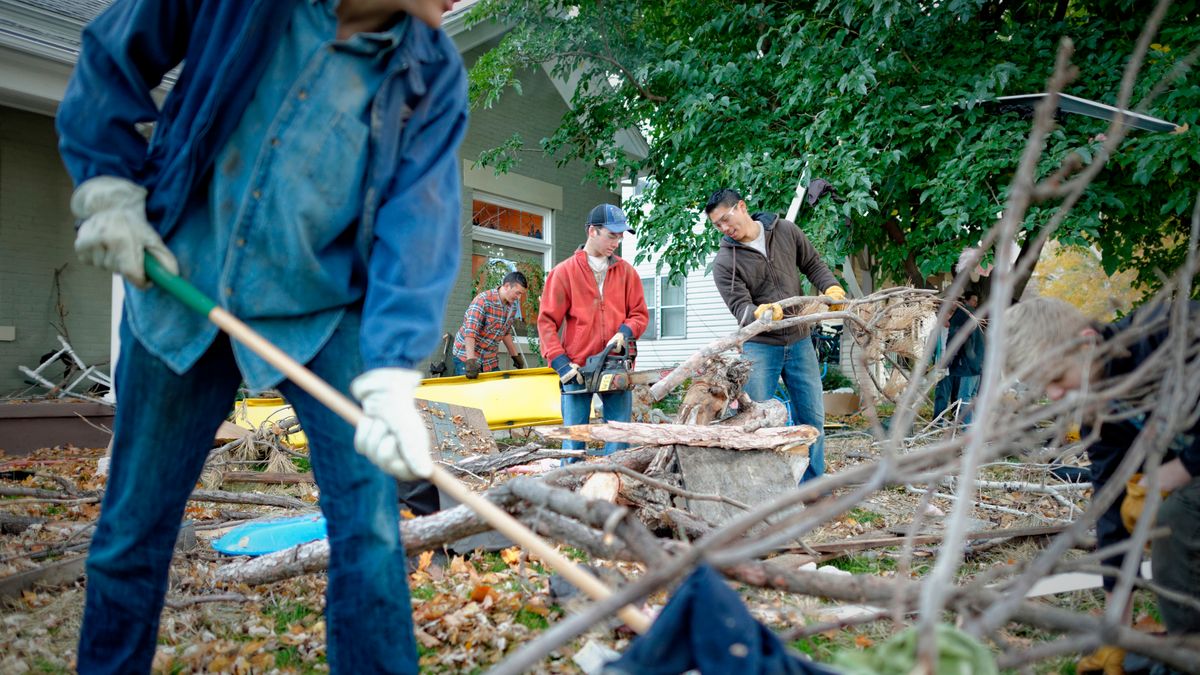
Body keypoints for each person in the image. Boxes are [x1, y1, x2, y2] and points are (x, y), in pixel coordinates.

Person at [57, 0, 466, 672]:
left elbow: (419, 221)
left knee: (370, 533)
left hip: (321, 308)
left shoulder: (433, 72)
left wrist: (394, 369)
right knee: (132, 530)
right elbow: (112, 51)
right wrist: (106, 183)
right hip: (182, 279)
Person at [1005, 296, 1200, 672]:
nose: (1054, 395)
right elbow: (1111, 508)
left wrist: (1178, 470)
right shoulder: (1103, 413)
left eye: (1057, 378)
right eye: (1044, 386)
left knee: (1176, 517)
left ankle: (1188, 656)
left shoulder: (1170, 333)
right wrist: (1116, 631)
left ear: (1087, 343)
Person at [705, 188, 846, 483]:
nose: (724, 228)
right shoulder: (725, 262)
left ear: (741, 206)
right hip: (760, 347)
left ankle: (813, 486)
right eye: (717, 225)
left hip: (799, 340)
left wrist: (831, 287)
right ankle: (765, 488)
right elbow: (740, 307)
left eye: (726, 219)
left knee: (812, 418)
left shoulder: (786, 231)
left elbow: (813, 265)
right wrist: (760, 313)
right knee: (756, 420)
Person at [538, 203, 648, 458]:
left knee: (618, 437)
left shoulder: (627, 273)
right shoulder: (564, 272)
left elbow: (639, 314)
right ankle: (570, 481)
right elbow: (546, 322)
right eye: (611, 235)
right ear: (592, 231)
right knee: (574, 439)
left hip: (615, 363)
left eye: (620, 236)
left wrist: (625, 332)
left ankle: (615, 479)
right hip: (576, 367)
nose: (616, 242)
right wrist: (560, 363)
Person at [452, 271, 529, 378]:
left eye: (521, 294)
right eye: (517, 293)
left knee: (496, 387)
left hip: (489, 359)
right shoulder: (483, 301)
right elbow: (470, 333)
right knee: (472, 388)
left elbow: (505, 333)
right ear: (507, 286)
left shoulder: (512, 307)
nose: (519, 297)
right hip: (467, 357)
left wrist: (515, 356)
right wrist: (470, 362)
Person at [933, 291, 984, 424]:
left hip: (964, 366)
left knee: (963, 397)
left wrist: (946, 364)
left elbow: (955, 346)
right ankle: (969, 425)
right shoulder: (969, 318)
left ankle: (966, 427)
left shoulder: (959, 322)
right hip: (968, 365)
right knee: (963, 396)